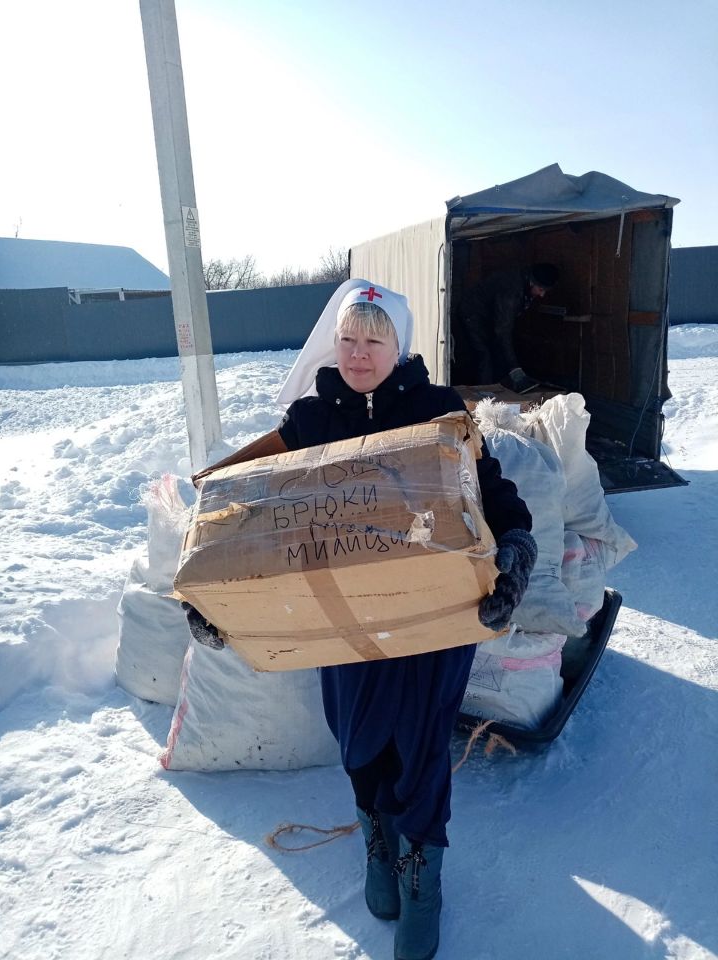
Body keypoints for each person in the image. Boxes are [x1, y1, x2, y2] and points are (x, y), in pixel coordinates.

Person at [184, 279, 536, 960]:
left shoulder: (441, 414)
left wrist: (514, 557)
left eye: (373, 339)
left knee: (422, 740)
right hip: (342, 623)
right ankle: (377, 838)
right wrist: (216, 601)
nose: (358, 352)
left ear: (398, 345)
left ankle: (421, 871)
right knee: (360, 738)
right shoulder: (309, 424)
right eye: (348, 337)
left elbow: (499, 500)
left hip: (432, 619)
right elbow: (243, 523)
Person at [453, 263, 560, 394]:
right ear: (532, 283)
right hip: (472, 313)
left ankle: (499, 387)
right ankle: (485, 395)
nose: (542, 295)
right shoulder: (511, 293)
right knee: (484, 354)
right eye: (541, 290)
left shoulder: (523, 282)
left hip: (488, 315)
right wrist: (514, 368)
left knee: (497, 350)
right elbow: (503, 331)